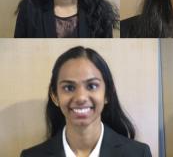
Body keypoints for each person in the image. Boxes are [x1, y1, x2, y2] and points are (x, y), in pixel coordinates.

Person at [20, 46, 152, 156]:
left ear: (107, 94)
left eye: (92, 86)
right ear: (55, 96)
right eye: (69, 87)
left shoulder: (139, 153)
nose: (81, 97)